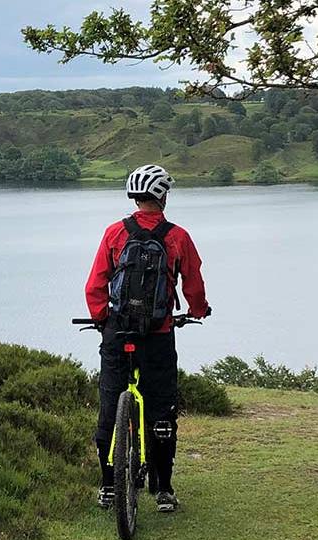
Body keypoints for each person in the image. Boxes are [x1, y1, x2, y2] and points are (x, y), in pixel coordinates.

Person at [85, 164, 209, 513]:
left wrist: (101, 319)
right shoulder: (177, 236)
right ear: (163, 197)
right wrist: (198, 310)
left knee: (110, 404)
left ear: (135, 198)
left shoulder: (114, 233)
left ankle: (109, 486)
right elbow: (193, 284)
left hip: (117, 332)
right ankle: (165, 489)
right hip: (158, 334)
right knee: (162, 408)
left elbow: (95, 285)